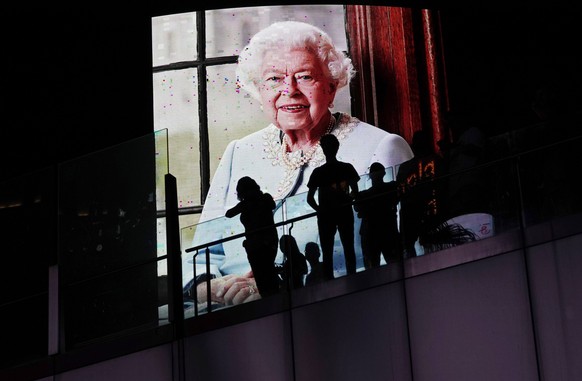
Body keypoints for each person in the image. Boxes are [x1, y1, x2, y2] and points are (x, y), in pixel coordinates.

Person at [186, 20, 413, 307]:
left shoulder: (381, 148)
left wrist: (279, 290)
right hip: (228, 313)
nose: (289, 90)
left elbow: (403, 258)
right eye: (274, 79)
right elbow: (198, 256)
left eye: (304, 77)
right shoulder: (239, 152)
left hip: (335, 312)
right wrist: (210, 287)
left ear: (331, 86)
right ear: (259, 91)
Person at [307, 134, 360, 279]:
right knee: (348, 248)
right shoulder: (347, 168)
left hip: (326, 216)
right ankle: (353, 277)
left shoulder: (318, 172)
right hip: (344, 212)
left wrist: (321, 211)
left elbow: (310, 198)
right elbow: (355, 192)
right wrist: (349, 201)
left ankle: (329, 281)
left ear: (323, 149)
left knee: (327, 251)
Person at [224, 176, 280, 299]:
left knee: (261, 274)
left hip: (255, 244)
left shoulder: (245, 204)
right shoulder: (265, 198)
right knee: (269, 270)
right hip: (269, 240)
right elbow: (272, 205)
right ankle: (275, 295)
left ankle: (268, 297)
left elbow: (228, 214)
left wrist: (244, 203)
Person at [396, 130, 445, 258]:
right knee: (433, 242)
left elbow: (400, 191)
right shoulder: (437, 160)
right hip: (430, 208)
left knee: (410, 245)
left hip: (413, 210)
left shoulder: (405, 167)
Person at [354, 162, 402, 269]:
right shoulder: (391, 188)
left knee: (372, 268)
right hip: (389, 231)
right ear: (384, 173)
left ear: (370, 175)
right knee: (396, 265)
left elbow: (358, 209)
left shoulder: (364, 195)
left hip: (370, 234)